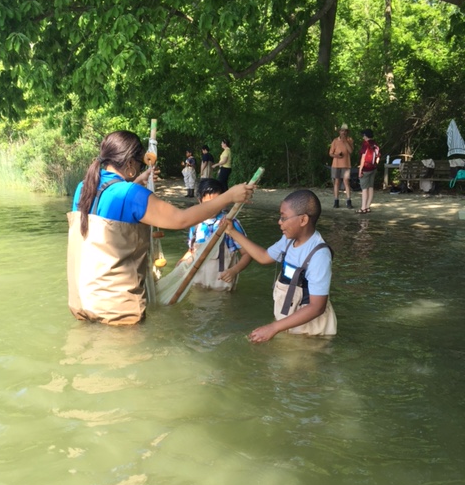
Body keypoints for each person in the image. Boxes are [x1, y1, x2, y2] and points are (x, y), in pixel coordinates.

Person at [67, 130, 255, 326]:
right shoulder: (132, 194)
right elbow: (181, 219)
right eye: (139, 164)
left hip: (83, 298)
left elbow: (114, 207)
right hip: (116, 305)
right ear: (131, 163)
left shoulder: (84, 187)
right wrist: (229, 196)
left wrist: (138, 181)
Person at [224, 189, 337, 343]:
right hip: (289, 321)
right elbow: (264, 257)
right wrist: (232, 232)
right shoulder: (288, 240)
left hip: (310, 331)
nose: (279, 222)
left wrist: (273, 328)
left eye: (284, 217)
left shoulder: (319, 255)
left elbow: (317, 307)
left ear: (303, 220)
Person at [178, 179, 252, 291]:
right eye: (208, 203)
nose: (213, 207)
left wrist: (234, 270)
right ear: (199, 201)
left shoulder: (230, 223)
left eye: (217, 202)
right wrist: (182, 262)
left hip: (222, 285)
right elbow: (192, 251)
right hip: (198, 283)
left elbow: (247, 254)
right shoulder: (196, 224)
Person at [329, 123, 354, 208]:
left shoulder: (349, 140)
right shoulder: (335, 141)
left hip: (346, 165)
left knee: (346, 182)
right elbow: (330, 153)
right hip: (336, 165)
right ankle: (336, 201)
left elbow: (350, 151)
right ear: (339, 131)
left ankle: (348, 200)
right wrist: (337, 155)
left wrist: (345, 141)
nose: (344, 132)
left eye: (345, 131)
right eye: (342, 130)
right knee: (336, 182)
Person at [357, 128, 380, 213]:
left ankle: (363, 208)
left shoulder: (365, 144)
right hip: (373, 168)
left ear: (366, 136)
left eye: (363, 135)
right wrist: (375, 166)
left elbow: (363, 158)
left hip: (366, 168)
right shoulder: (375, 144)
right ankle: (368, 206)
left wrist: (360, 170)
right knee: (371, 187)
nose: (363, 137)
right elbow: (378, 157)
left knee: (364, 188)